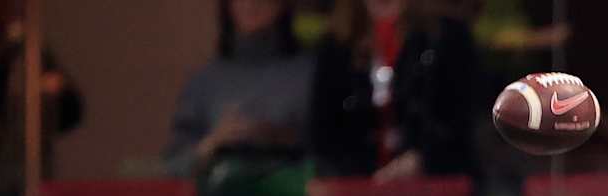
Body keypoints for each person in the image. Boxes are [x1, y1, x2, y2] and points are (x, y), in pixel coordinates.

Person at [310, 0, 479, 180]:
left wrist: (423, 159)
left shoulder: (446, 38)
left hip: (433, 188)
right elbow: (322, 134)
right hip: (358, 191)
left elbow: (461, 119)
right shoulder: (336, 46)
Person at [165, 0, 313, 176]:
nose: (250, 4)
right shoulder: (205, 81)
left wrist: (284, 139)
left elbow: (336, 159)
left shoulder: (312, 74)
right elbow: (173, 165)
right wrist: (212, 144)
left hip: (295, 195)